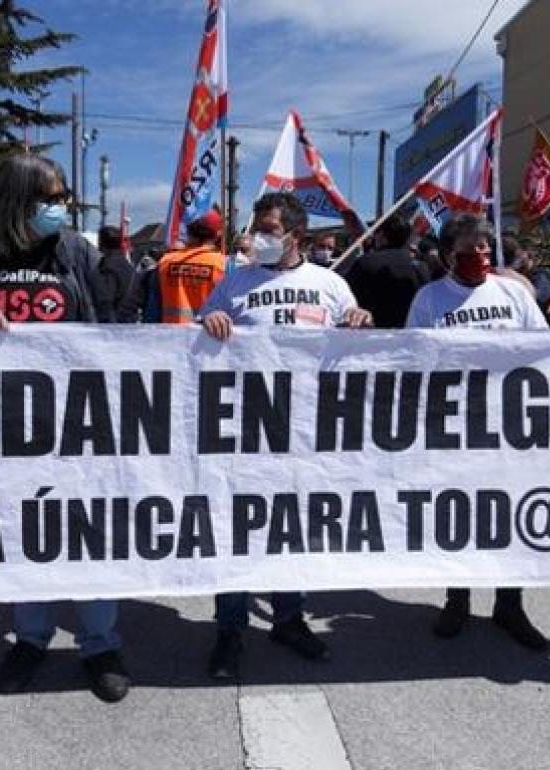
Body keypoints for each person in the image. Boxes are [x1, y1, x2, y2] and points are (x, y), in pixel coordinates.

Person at [0, 154, 129, 703]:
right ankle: (31, 638)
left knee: (90, 533)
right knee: (23, 534)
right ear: (19, 200)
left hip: (80, 422)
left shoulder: (76, 252)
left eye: (62, 197)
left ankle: (99, 645)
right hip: (6, 425)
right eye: (50, 197)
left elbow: (113, 332)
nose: (59, 207)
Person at [198, 191, 373, 679]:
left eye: (268, 230)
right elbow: (193, 343)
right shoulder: (235, 282)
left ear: (296, 236)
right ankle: (229, 629)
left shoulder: (332, 285)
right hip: (243, 435)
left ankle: (288, 618)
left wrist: (359, 321)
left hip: (305, 437)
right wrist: (208, 321)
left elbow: (355, 339)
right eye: (258, 228)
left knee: (291, 531)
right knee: (235, 533)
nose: (257, 237)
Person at [405, 213, 550, 652]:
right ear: (450, 255)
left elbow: (545, 350)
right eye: (471, 251)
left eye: (486, 248)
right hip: (455, 430)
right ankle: (458, 598)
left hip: (509, 429)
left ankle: (510, 603)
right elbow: (413, 359)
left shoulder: (513, 293)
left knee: (508, 517)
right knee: (459, 518)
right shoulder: (430, 299)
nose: (481, 256)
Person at [344, 213, 430, 328]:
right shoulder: (421, 267)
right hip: (410, 337)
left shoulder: (365, 263)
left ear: (381, 236)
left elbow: (347, 301)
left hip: (374, 337)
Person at [151, 209, 228, 324]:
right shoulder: (224, 265)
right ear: (217, 235)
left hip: (171, 335)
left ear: (188, 232)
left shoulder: (165, 262)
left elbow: (152, 308)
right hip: (208, 337)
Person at [96, 225, 140, 322]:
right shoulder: (129, 266)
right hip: (130, 320)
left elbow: (105, 299)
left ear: (101, 243)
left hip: (112, 325)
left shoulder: (108, 266)